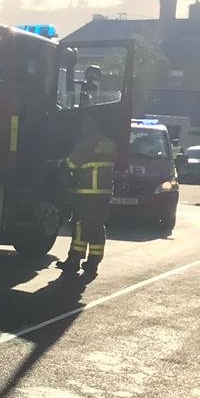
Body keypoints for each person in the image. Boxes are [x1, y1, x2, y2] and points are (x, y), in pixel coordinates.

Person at [58, 116, 117, 279]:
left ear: (88, 128)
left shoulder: (85, 145)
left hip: (87, 193)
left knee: (80, 226)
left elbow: (70, 165)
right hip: (104, 193)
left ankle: (73, 261)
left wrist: (59, 164)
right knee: (97, 226)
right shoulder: (110, 144)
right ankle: (93, 261)